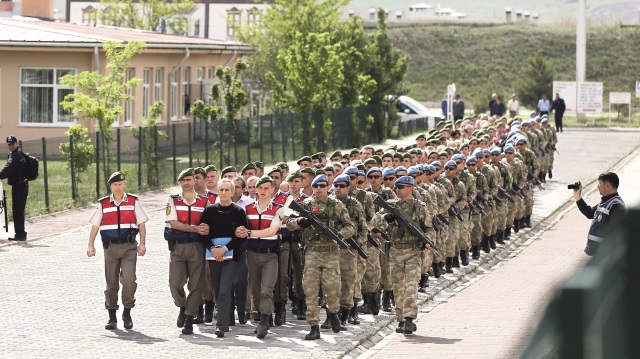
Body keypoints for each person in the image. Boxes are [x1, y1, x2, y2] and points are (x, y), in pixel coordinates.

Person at [286, 174, 355, 340]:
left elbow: (350, 227)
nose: (319, 189)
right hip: (311, 252)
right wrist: (300, 221)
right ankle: (314, 326)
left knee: (332, 290)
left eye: (322, 186)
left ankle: (333, 313)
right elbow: (289, 223)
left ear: (327, 187)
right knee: (310, 291)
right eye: (316, 186)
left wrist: (339, 235)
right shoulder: (305, 205)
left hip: (330, 252)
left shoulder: (336, 205)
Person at [87, 171, 148, 330]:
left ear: (125, 184)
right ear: (111, 186)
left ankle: (127, 312)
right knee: (111, 283)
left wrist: (142, 244)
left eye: (120, 184)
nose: (118, 187)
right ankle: (112, 315)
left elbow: (141, 223)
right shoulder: (104, 204)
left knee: (128, 280)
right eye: (115, 184)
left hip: (129, 247)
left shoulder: (133, 202)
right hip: (110, 248)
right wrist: (90, 245)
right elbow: (95, 225)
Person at [199, 178, 249, 337]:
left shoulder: (239, 212)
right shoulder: (210, 210)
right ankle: (225, 318)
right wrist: (214, 249)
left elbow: (241, 236)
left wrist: (225, 249)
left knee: (225, 289)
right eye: (221, 190)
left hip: (231, 256)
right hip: (214, 256)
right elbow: (204, 232)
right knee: (217, 289)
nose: (224, 193)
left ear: (233, 192)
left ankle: (221, 325)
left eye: (227, 190)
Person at [164, 168, 210, 335]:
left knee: (196, 284)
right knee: (175, 283)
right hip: (178, 246)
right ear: (180, 182)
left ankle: (190, 318)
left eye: (189, 179)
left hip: (197, 247)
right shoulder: (173, 200)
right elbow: (173, 222)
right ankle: (183, 306)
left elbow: (208, 222)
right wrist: (195, 229)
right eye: (183, 180)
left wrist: (204, 229)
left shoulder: (205, 202)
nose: (186, 183)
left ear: (194, 181)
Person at [243, 176, 285, 338]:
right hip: (252, 254)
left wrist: (249, 233)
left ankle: (264, 321)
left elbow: (272, 231)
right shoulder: (248, 209)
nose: (262, 191)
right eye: (260, 188)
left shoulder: (278, 209)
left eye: (266, 188)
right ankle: (264, 317)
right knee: (255, 290)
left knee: (267, 289)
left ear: (273, 190)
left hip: (270, 255)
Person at [573, 172, 626, 256]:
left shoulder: (616, 205)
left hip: (603, 257)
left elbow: (615, 234)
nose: (598, 186)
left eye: (600, 184)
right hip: (596, 255)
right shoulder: (605, 202)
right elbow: (589, 213)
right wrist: (577, 197)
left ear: (607, 185)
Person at [0, 135, 28, 241]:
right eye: (9, 144)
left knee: (18, 211)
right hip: (20, 185)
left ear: (17, 143)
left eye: (12, 144)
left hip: (19, 186)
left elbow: (8, 170)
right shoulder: (17, 154)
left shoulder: (16, 155)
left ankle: (20, 235)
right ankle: (20, 233)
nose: (10, 146)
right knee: (19, 210)